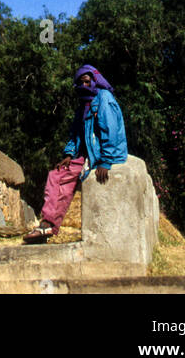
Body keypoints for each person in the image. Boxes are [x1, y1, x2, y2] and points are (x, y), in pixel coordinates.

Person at [23, 64, 128, 244]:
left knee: (67, 179)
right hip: (87, 154)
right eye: (80, 83)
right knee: (57, 175)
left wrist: (106, 161)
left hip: (102, 154)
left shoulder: (104, 99)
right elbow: (76, 133)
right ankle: (47, 225)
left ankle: (49, 224)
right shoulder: (84, 105)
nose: (84, 86)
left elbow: (109, 131)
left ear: (95, 80)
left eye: (87, 82)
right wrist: (70, 154)